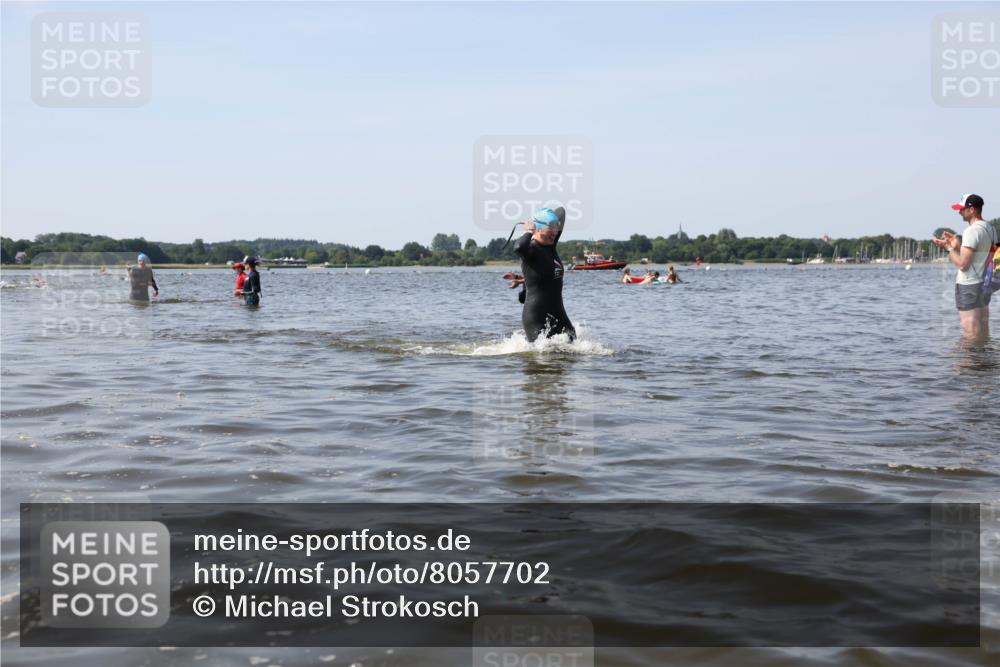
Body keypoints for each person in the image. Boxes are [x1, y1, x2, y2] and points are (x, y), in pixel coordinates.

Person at [932, 194, 997, 339]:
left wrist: (949, 248)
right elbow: (982, 256)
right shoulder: (991, 228)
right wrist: (957, 246)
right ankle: (985, 361)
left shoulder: (971, 231)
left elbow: (963, 264)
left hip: (969, 285)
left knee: (970, 334)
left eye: (962, 209)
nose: (959, 212)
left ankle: (968, 362)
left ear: (972, 209)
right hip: (985, 284)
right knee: (983, 332)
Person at [514, 207, 575, 342]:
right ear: (539, 228)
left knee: (574, 346)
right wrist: (530, 230)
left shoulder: (551, 245)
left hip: (558, 313)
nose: (555, 232)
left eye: (556, 227)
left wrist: (548, 216)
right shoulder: (531, 250)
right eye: (551, 228)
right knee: (541, 356)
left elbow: (561, 212)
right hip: (536, 317)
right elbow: (519, 247)